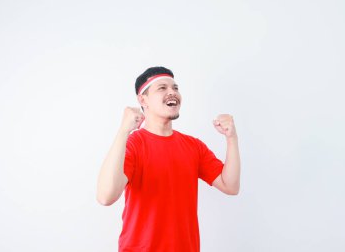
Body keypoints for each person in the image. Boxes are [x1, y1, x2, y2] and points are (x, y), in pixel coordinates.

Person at [97, 66, 241, 252]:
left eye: (175, 88)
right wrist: (123, 130)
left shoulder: (193, 146)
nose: (172, 92)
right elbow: (105, 197)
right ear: (143, 99)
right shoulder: (133, 144)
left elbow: (230, 186)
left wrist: (232, 138)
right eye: (162, 88)